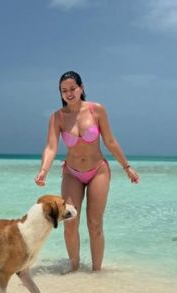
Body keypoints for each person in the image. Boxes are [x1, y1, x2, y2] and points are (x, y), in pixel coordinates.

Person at [34, 71, 139, 271]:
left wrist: (126, 167)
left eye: (72, 88)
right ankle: (74, 269)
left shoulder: (96, 110)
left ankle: (96, 272)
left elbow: (110, 141)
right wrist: (43, 171)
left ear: (81, 87)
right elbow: (51, 147)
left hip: (98, 170)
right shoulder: (57, 117)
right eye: (64, 90)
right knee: (69, 222)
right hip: (72, 172)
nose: (69, 93)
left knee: (94, 223)